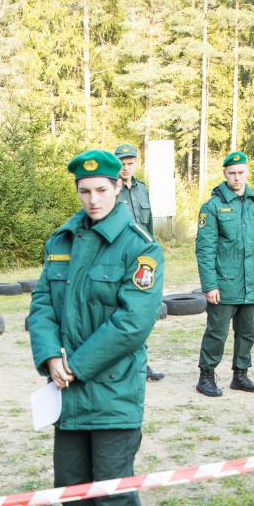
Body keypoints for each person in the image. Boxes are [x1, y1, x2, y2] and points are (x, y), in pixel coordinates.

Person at [27, 149, 163, 506]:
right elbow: (42, 304)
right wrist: (49, 356)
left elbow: (132, 322)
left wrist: (76, 365)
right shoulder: (61, 240)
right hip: (64, 389)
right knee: (70, 479)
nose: (92, 199)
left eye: (101, 190)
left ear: (118, 187)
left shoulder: (139, 246)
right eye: (84, 191)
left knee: (112, 482)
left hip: (112, 389)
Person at [195, 151, 254, 397]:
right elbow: (205, 250)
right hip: (224, 284)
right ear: (225, 174)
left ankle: (240, 375)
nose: (237, 178)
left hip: (252, 283)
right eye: (232, 173)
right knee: (216, 333)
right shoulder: (213, 206)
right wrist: (210, 286)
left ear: (247, 173)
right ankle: (206, 376)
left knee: (247, 332)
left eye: (241, 173)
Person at [113, 142, 163, 383]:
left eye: (130, 163)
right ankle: (120, 365)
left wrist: (153, 255)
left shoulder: (143, 190)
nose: (126, 167)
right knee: (119, 312)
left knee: (141, 311)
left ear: (136, 163)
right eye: (121, 164)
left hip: (142, 262)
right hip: (118, 261)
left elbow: (149, 227)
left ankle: (142, 365)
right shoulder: (109, 190)